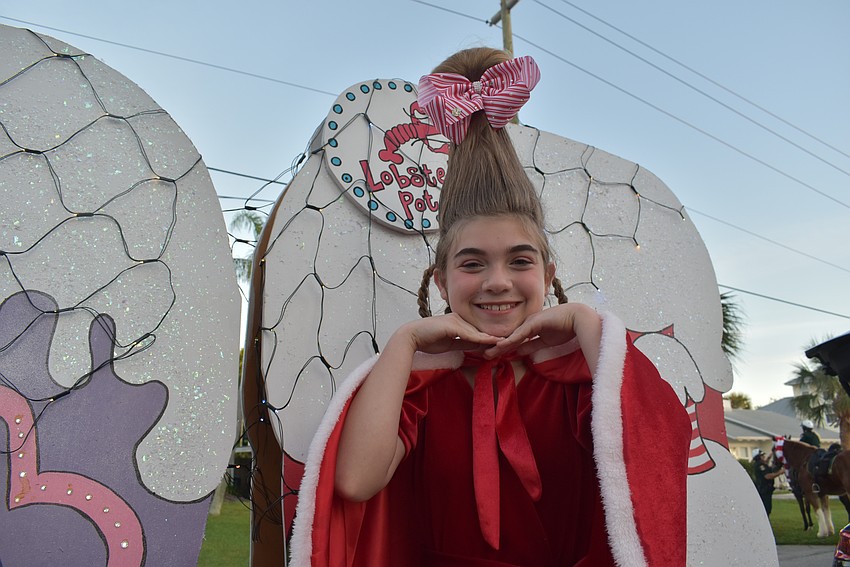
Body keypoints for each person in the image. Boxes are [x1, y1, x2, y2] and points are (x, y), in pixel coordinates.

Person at [288, 47, 691, 567]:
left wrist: (586, 324)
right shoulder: (421, 386)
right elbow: (357, 481)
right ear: (441, 280)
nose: (496, 282)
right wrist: (405, 341)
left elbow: (653, 463)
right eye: (473, 264)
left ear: (547, 276)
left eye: (519, 262)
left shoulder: (583, 380)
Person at [752, 449, 783, 515]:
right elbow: (767, 476)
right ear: (758, 457)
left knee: (767, 508)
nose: (763, 457)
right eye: (762, 455)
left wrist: (772, 452)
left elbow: (766, 461)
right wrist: (780, 472)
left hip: (766, 490)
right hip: (764, 490)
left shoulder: (761, 464)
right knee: (766, 508)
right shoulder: (760, 466)